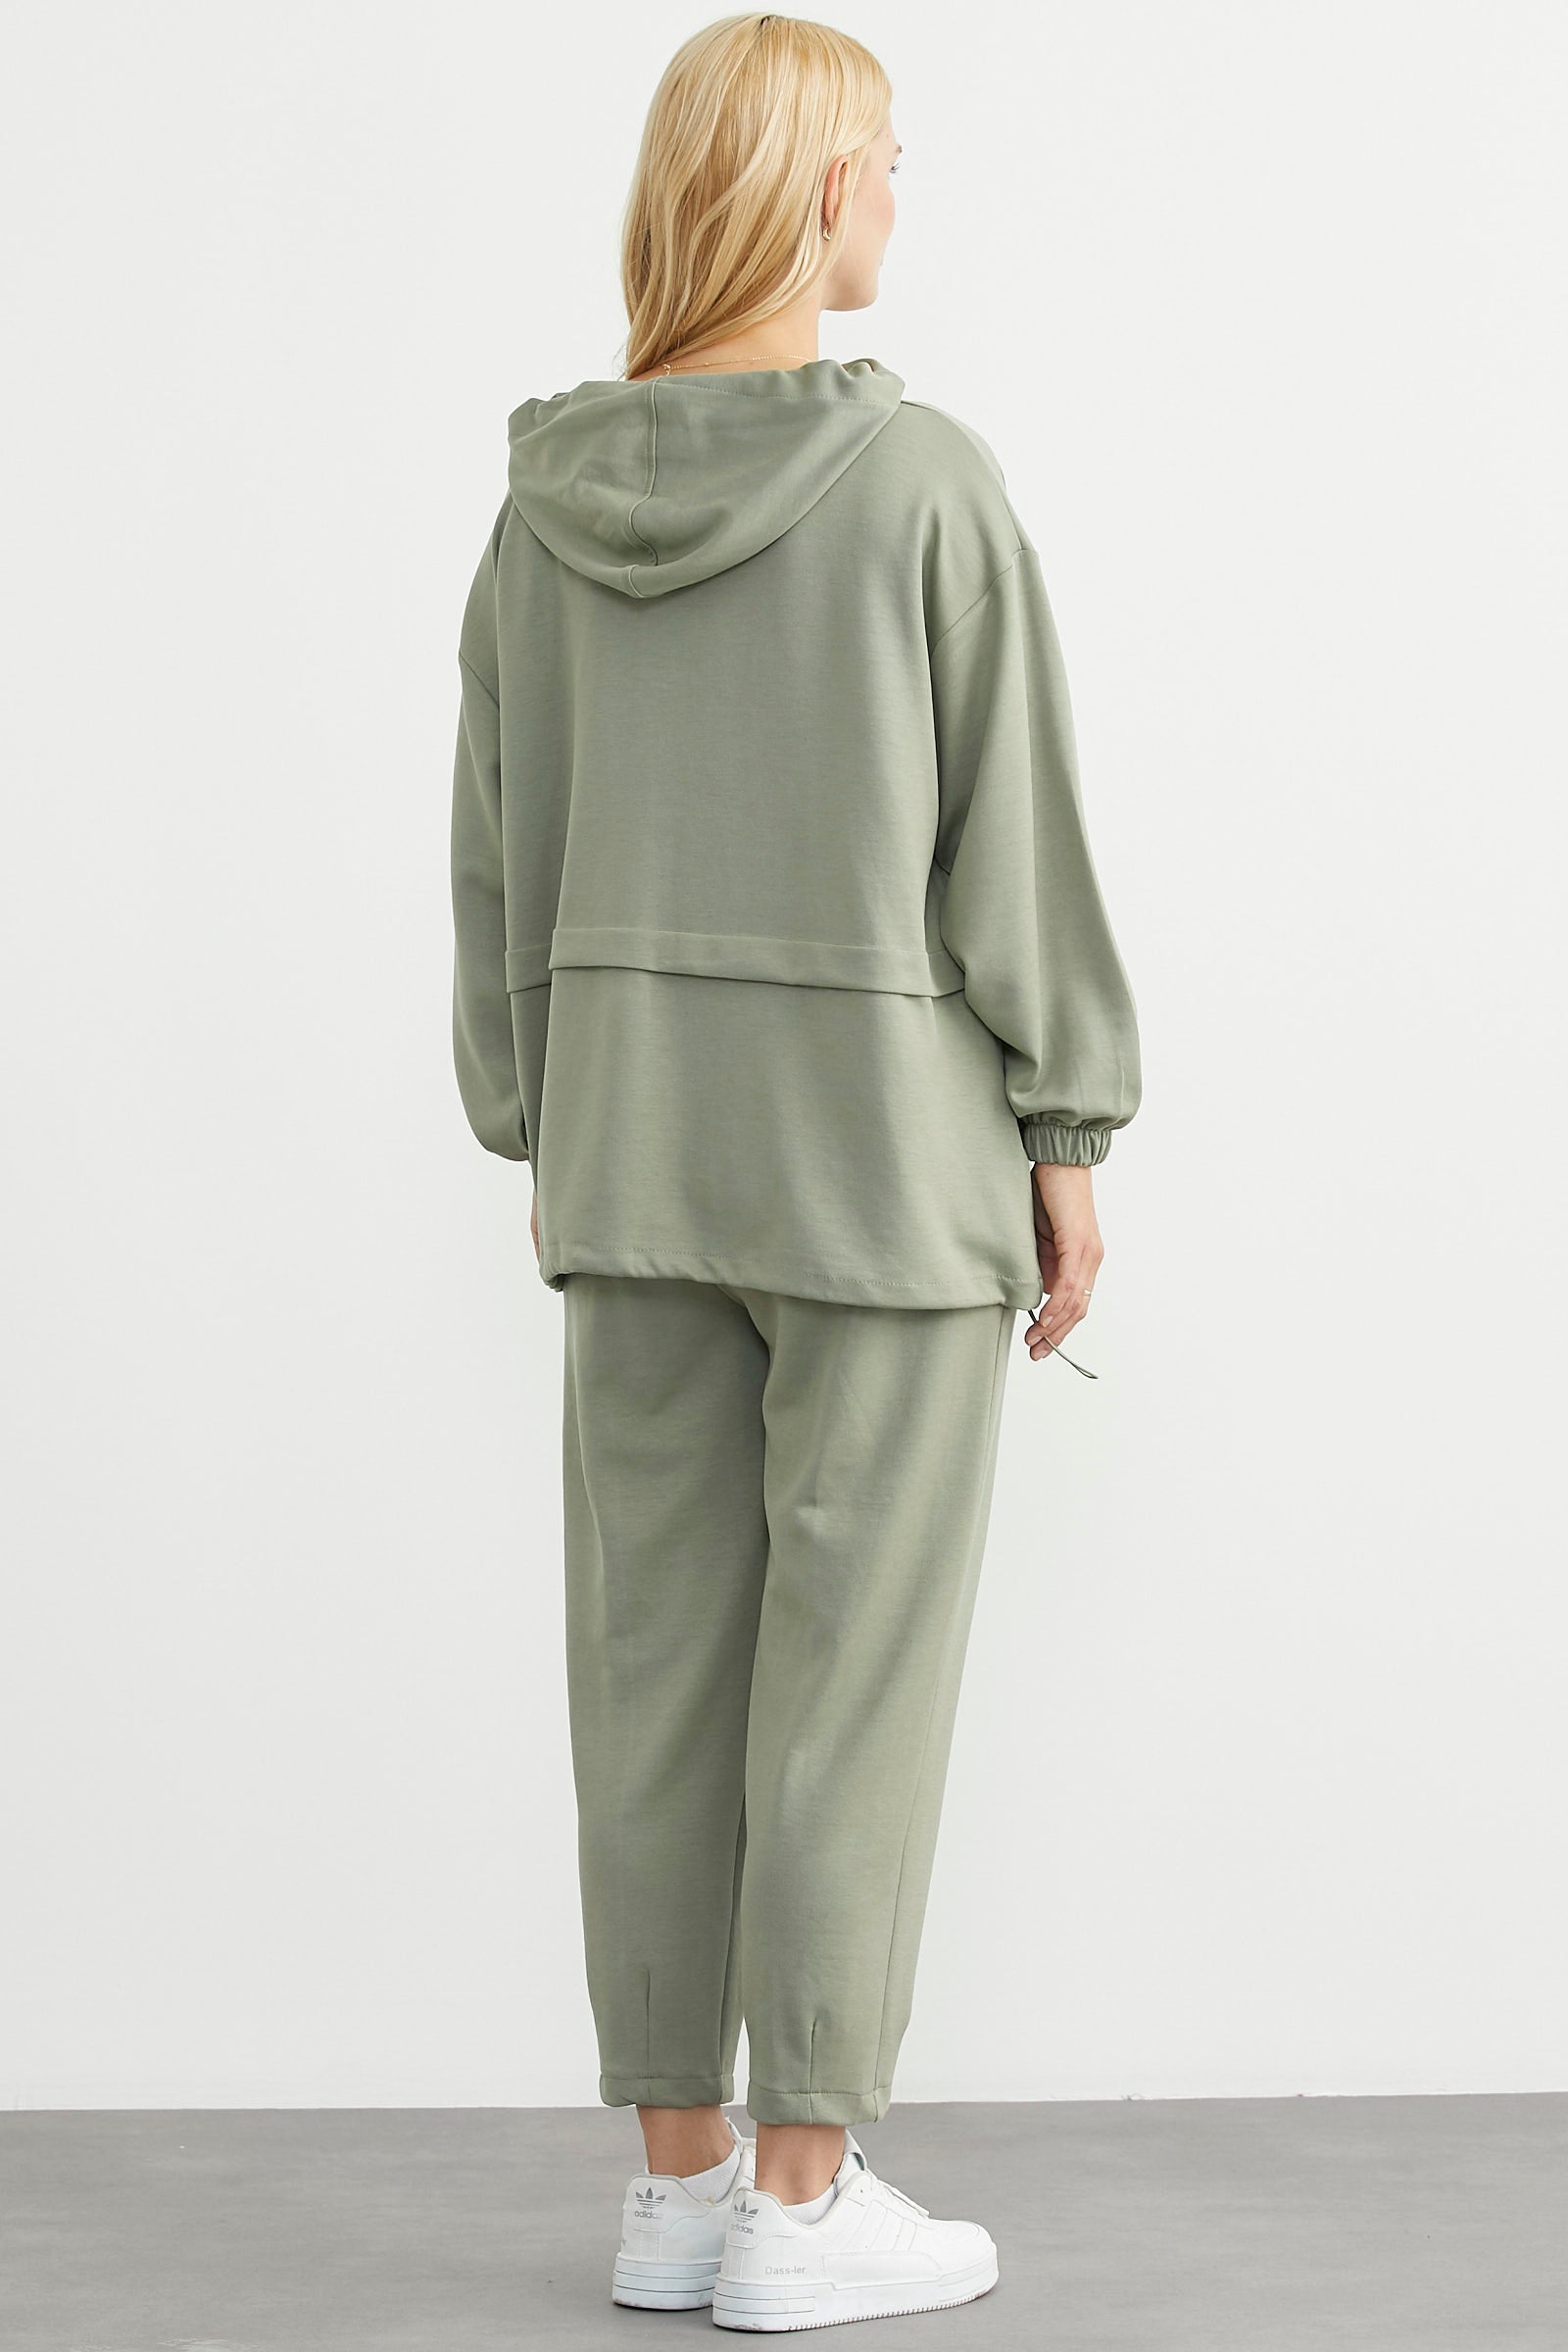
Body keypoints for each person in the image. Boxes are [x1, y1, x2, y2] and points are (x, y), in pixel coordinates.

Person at [448, 11, 1141, 2330]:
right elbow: (1006, 843)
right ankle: (804, 2200)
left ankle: (673, 2189)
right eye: (883, 160)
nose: (894, 197)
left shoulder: (539, 512)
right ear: (815, 188)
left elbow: (496, 855)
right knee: (850, 1683)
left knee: (651, 1666)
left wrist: (540, 1114)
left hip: (632, 1156)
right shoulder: (918, 483)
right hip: (879, 1168)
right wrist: (1064, 1128)